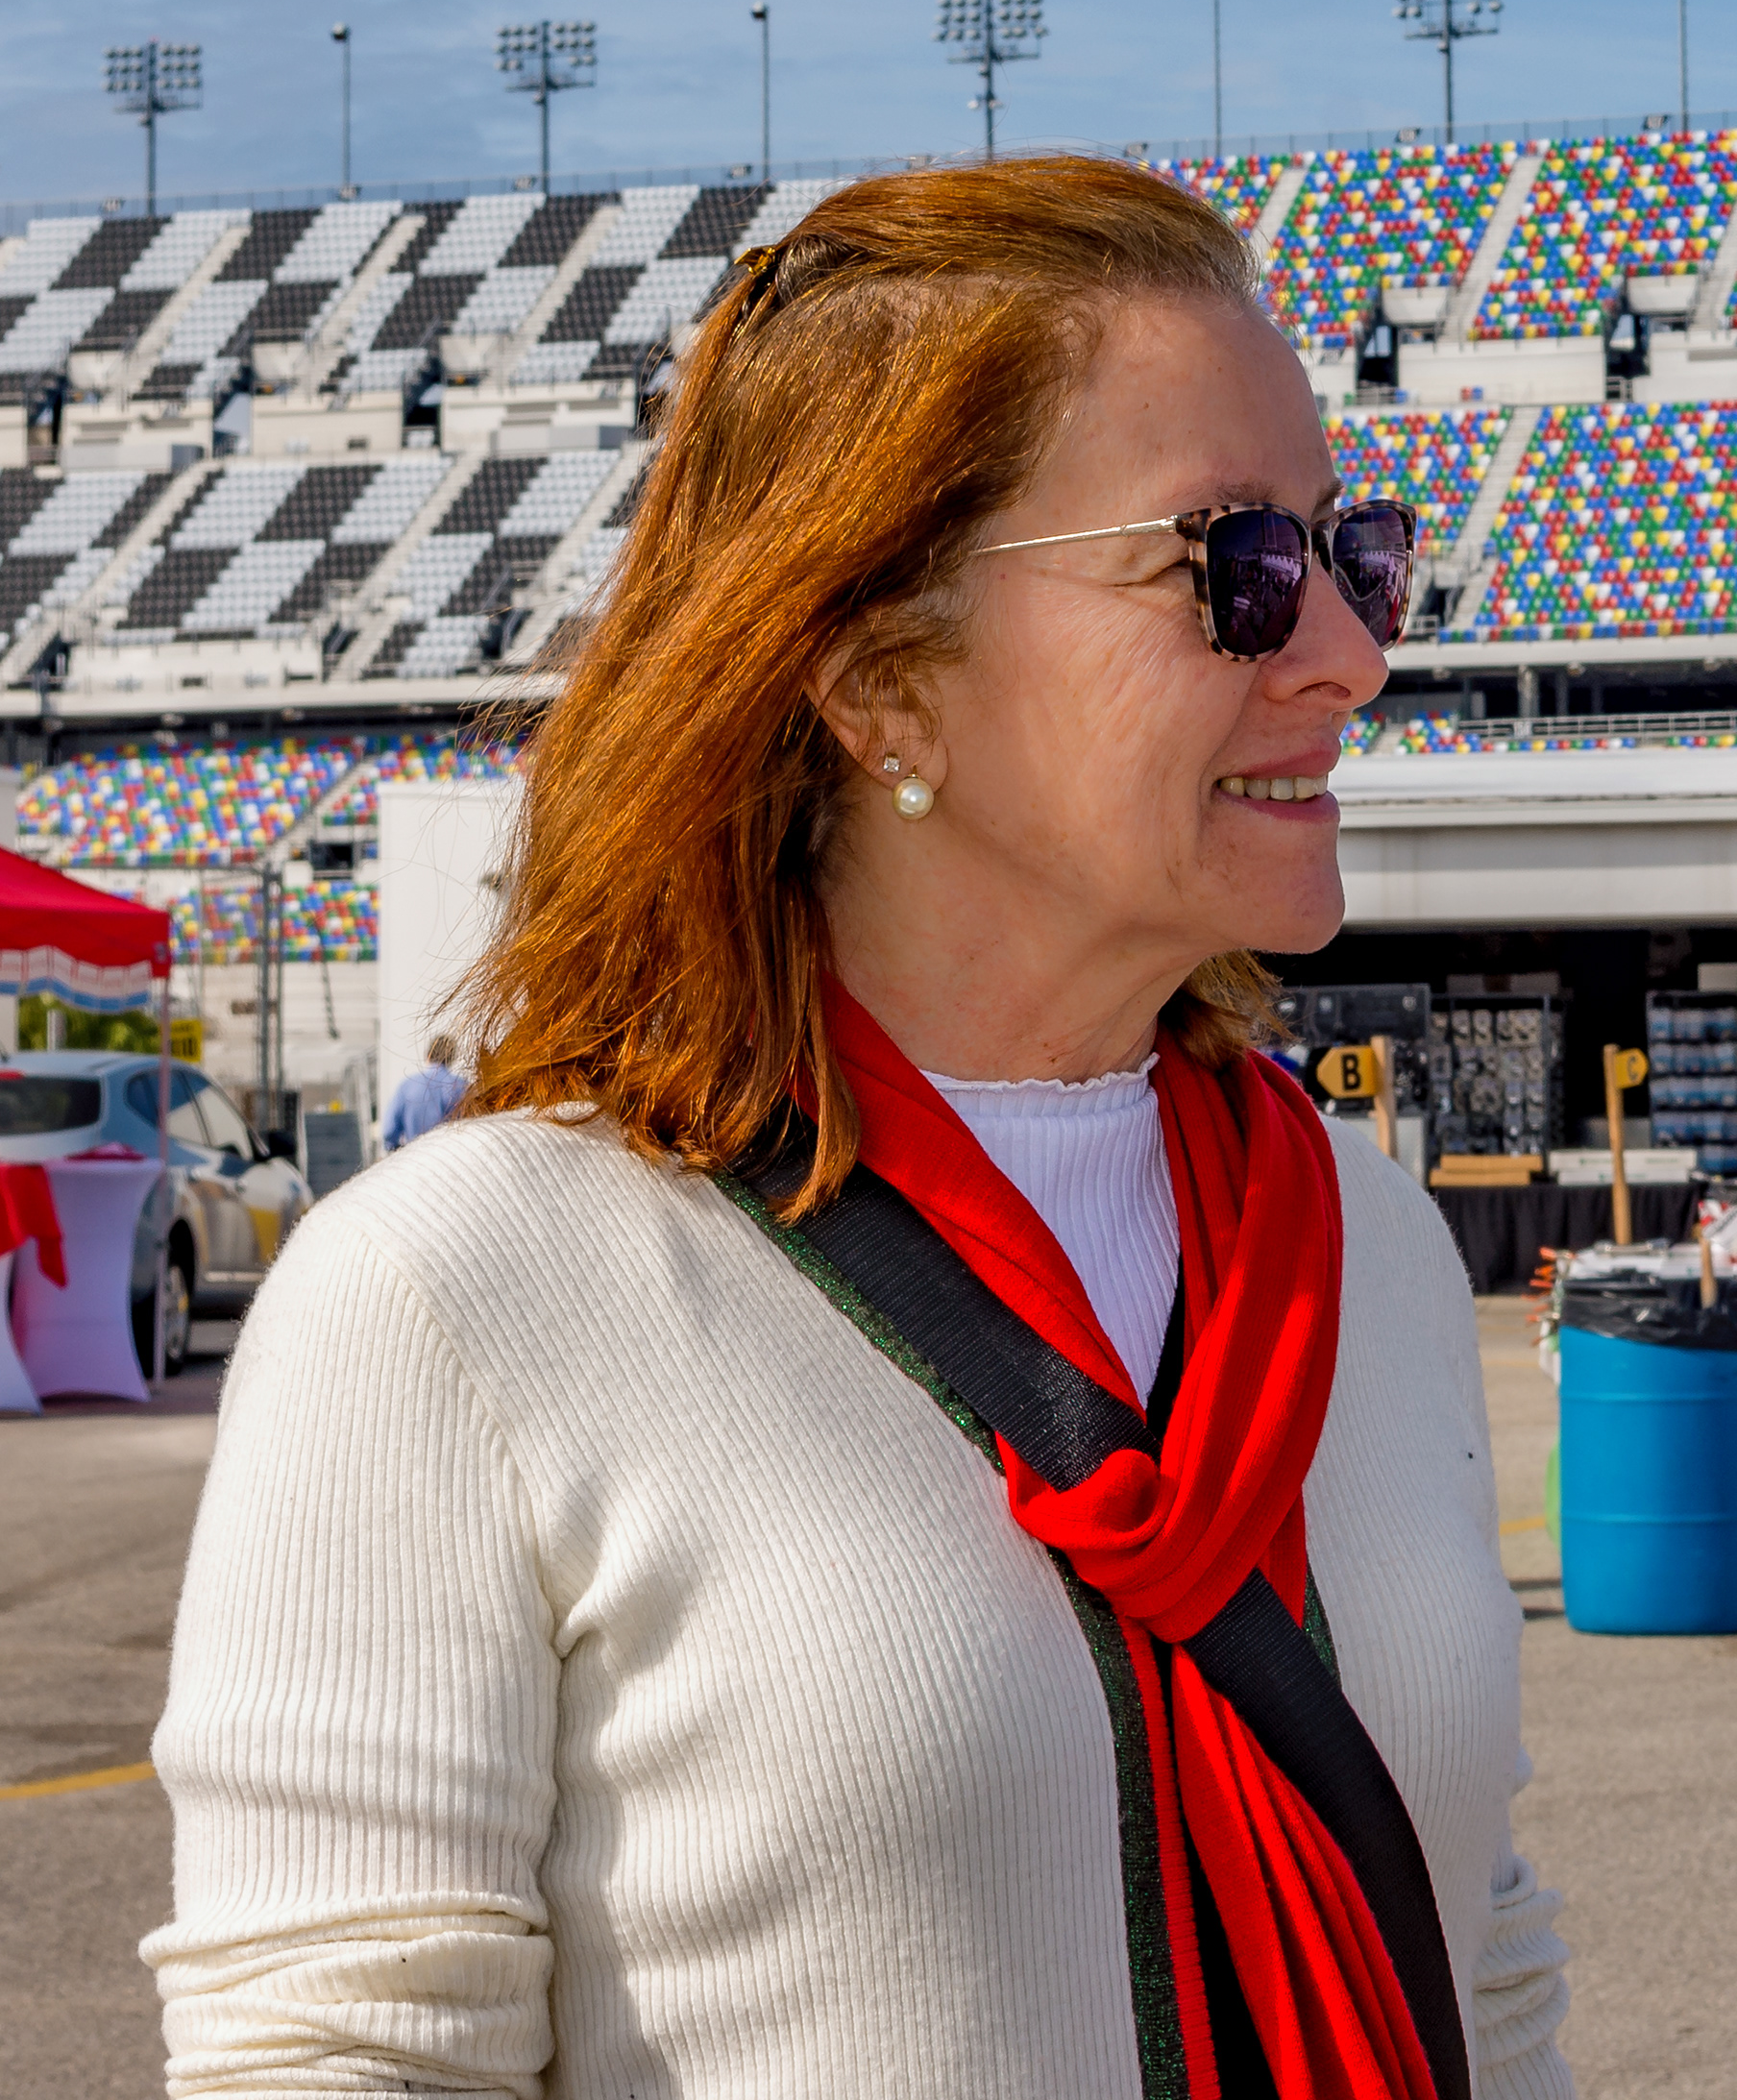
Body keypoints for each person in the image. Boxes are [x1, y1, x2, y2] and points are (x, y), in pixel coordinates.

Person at [144, 159, 1574, 2099]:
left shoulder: (1362, 1243)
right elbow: (340, 2059)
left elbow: (1480, 1964)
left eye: (1356, 551)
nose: (1350, 651)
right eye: (1235, 564)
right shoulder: (459, 1292)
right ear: (887, 679)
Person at [378, 1032, 467, 1149]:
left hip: (414, 1154)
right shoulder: (461, 1086)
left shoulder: (407, 1086)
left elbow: (389, 1131)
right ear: (452, 1058)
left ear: (428, 1055)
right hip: (450, 1154)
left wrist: (396, 1149)